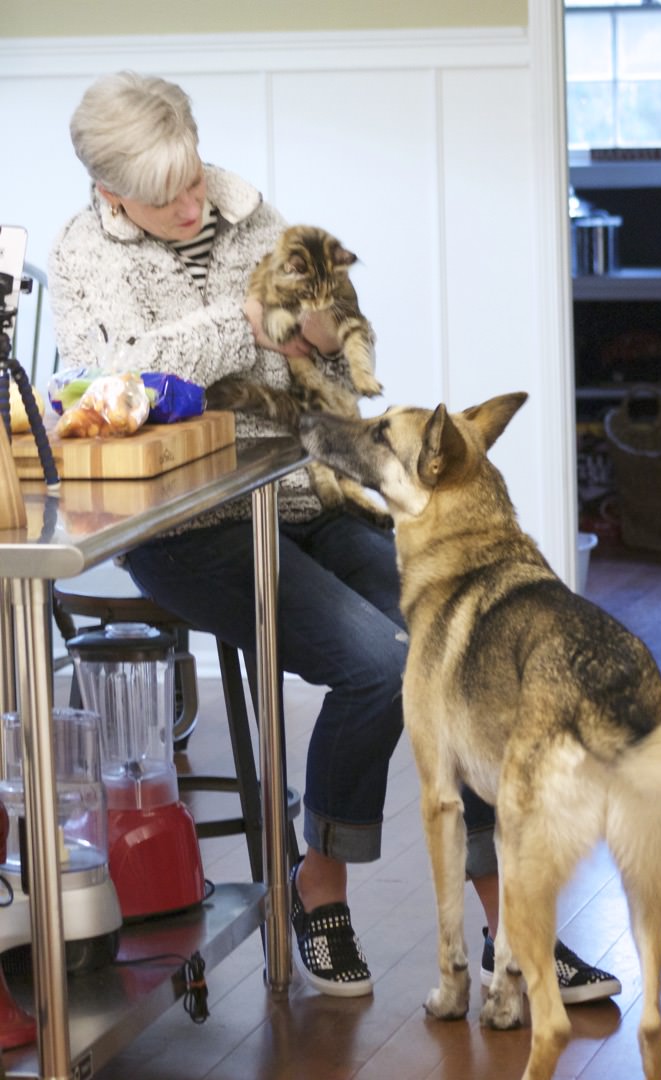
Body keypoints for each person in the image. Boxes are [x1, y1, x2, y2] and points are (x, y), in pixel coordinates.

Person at [48, 71, 620, 1005]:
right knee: (381, 664)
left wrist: (314, 327)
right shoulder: (83, 257)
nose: (198, 205)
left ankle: (510, 927)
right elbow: (114, 385)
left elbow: (332, 353)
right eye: (169, 198)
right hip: (194, 529)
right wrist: (242, 326)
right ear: (111, 196)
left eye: (196, 178)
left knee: (462, 650)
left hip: (306, 498)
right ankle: (321, 884)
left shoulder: (239, 205)